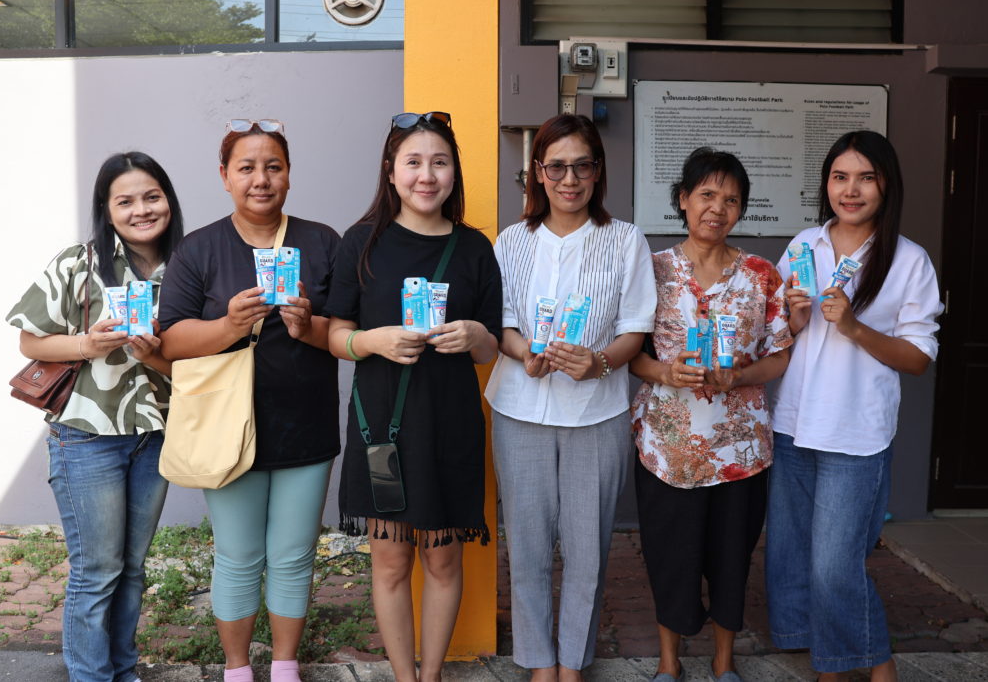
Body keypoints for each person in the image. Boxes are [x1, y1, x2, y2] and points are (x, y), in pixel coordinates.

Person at [158, 119, 340, 682]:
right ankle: (237, 668)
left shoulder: (321, 241)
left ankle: (284, 665)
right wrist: (229, 325)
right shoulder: (200, 248)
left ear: (288, 175)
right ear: (224, 176)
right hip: (226, 426)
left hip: (306, 425)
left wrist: (309, 324)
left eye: (273, 167)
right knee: (238, 555)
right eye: (246, 168)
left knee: (294, 555)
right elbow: (170, 341)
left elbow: (347, 331)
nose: (261, 179)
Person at [325, 111, 501, 682]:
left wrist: (474, 335)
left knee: (444, 559)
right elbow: (334, 335)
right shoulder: (362, 243)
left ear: (454, 172)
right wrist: (371, 341)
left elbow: (491, 348)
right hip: (383, 429)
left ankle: (432, 677)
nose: (427, 175)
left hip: (450, 426)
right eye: (414, 162)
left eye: (440, 162)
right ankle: (405, 677)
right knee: (391, 562)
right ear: (391, 170)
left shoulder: (475, 248)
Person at [484, 114, 656, 682]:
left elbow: (635, 327)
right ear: (537, 172)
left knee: (588, 548)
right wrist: (522, 352)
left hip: (596, 413)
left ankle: (572, 662)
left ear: (598, 171)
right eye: (556, 167)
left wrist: (600, 362)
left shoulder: (625, 240)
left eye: (582, 165)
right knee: (528, 544)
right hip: (521, 409)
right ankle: (539, 662)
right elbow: (503, 322)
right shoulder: (512, 241)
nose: (570, 179)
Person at [766, 131, 943, 682]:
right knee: (790, 555)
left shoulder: (908, 260)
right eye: (840, 177)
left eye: (866, 178)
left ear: (886, 185)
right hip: (794, 422)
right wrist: (793, 319)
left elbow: (918, 358)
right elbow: (775, 333)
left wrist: (854, 326)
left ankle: (875, 662)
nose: (851, 190)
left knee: (835, 565)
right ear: (826, 184)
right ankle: (827, 659)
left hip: (856, 433)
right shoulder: (804, 245)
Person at [6, 151, 184, 682]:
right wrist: (88, 343)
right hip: (87, 436)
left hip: (156, 434)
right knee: (96, 570)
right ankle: (91, 676)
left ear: (169, 201)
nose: (141, 210)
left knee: (131, 569)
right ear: (106, 209)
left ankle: (122, 672)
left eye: (152, 197)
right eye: (125, 201)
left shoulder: (190, 265)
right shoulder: (78, 263)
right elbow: (30, 340)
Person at [628, 148, 792, 682]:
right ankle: (669, 662)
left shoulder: (761, 276)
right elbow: (631, 354)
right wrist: (665, 372)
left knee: (730, 560)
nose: (717, 209)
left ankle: (724, 662)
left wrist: (739, 377)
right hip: (667, 448)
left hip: (739, 450)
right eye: (706, 195)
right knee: (669, 558)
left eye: (731, 200)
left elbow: (780, 355)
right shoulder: (651, 271)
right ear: (683, 199)